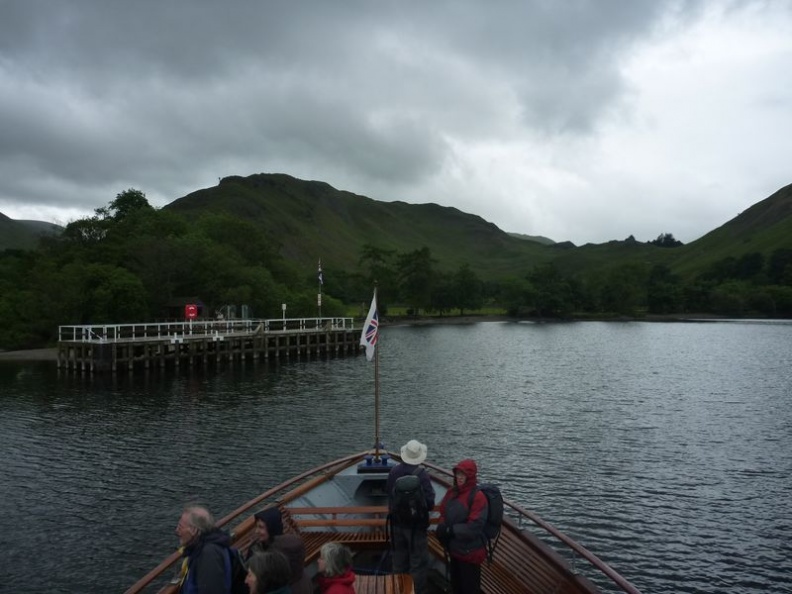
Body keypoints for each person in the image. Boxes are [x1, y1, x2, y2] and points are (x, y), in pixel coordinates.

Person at [385, 439, 436, 594]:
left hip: (397, 526)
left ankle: (398, 590)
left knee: (399, 563)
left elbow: (389, 495)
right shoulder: (422, 475)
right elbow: (430, 503)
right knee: (418, 565)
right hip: (416, 529)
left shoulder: (394, 472)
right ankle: (416, 591)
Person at [436, 459, 488, 594]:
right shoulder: (452, 492)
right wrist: (442, 525)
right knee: (457, 587)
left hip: (470, 554)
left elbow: (473, 528)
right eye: (457, 474)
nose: (459, 477)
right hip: (454, 550)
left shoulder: (478, 497)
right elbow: (443, 511)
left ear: (470, 477)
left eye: (462, 475)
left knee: (469, 589)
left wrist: (450, 530)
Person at [246, 507, 312, 594]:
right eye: (257, 527)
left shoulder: (283, 551)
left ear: (271, 527)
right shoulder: (257, 547)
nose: (256, 531)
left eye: (261, 527)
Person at [175, 504, 233, 594]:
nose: (176, 530)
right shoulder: (200, 548)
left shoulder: (208, 556)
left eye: (180, 527)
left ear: (194, 530)